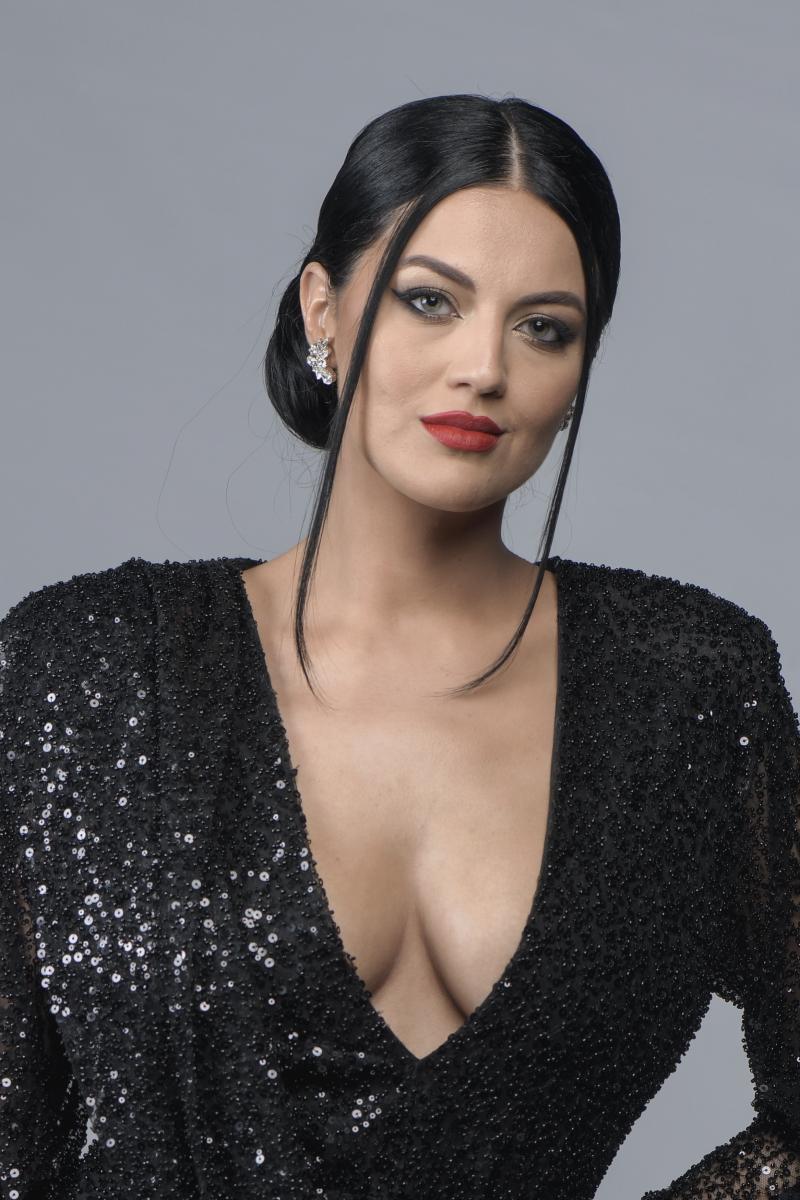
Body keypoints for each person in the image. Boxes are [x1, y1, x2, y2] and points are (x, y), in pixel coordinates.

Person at [1, 92, 798, 1200]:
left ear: (579, 371)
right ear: (322, 310)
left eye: (543, 327)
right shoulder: (89, 668)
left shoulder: (690, 688)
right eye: (430, 301)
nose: (483, 367)